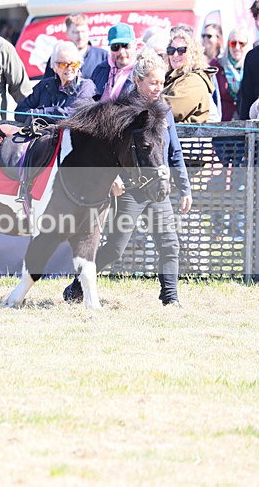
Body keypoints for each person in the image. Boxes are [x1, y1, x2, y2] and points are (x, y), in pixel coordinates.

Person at [64, 48, 192, 307]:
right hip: (130, 189)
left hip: (157, 187)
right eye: (153, 82)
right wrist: (112, 178)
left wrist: (185, 188)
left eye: (162, 81)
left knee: (169, 243)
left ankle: (171, 298)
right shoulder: (122, 108)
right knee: (115, 249)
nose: (159, 87)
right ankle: (78, 285)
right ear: (138, 80)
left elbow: (174, 151)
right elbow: (106, 150)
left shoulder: (164, 111)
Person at [14, 41, 95, 124]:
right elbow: (19, 112)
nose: (69, 68)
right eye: (63, 64)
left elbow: (73, 114)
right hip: (41, 135)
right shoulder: (44, 85)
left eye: (74, 64)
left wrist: (36, 114)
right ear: (54, 67)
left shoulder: (86, 86)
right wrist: (38, 115)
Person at [162, 26, 217, 124]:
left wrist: (143, 101)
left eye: (181, 50)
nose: (175, 55)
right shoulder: (173, 78)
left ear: (193, 53)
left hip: (185, 138)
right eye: (171, 50)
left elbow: (172, 109)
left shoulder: (194, 80)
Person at [44, 14, 108, 80]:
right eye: (75, 32)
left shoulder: (103, 56)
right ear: (67, 33)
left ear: (88, 32)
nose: (80, 36)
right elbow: (47, 85)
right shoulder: (57, 57)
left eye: (83, 31)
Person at [91, 23, 139, 101]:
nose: (121, 51)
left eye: (126, 45)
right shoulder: (100, 69)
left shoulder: (142, 72)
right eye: (115, 47)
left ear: (135, 45)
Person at [210, 26, 249, 121]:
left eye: (241, 43)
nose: (237, 47)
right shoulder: (216, 66)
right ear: (228, 45)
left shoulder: (251, 66)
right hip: (222, 122)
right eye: (233, 43)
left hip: (245, 121)